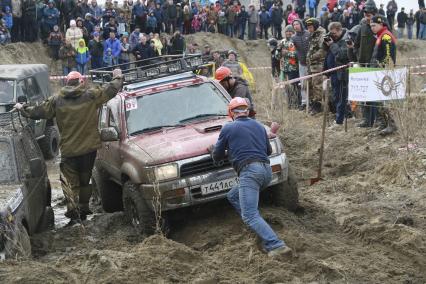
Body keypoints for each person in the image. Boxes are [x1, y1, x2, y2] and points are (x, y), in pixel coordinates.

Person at [14, 69, 124, 226]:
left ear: (66, 83)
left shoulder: (57, 100)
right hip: (89, 150)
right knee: (85, 180)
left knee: (69, 183)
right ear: (81, 82)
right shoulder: (91, 95)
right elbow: (111, 89)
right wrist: (118, 76)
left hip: (69, 151)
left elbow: (38, 112)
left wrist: (22, 108)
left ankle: (74, 215)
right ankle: (84, 211)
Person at [209, 97, 292, 258]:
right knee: (232, 195)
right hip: (266, 171)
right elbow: (267, 151)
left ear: (231, 113)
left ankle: (276, 245)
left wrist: (215, 150)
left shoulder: (228, 128)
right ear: (247, 111)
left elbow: (217, 156)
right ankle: (255, 225)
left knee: (249, 214)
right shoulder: (259, 126)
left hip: (250, 172)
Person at [348, 0, 378, 128]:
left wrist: (376, 60)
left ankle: (377, 120)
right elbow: (357, 44)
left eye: (370, 12)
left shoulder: (381, 25)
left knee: (376, 95)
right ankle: (367, 120)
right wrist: (357, 54)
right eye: (365, 12)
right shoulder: (363, 25)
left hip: (375, 65)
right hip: (363, 64)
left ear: (374, 12)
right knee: (364, 94)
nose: (367, 14)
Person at [370, 14, 397, 135]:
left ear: (381, 24)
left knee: (386, 99)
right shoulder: (380, 35)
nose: (372, 28)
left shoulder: (386, 36)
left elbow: (388, 55)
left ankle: (392, 124)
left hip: (385, 72)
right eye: (370, 25)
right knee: (379, 99)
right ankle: (383, 123)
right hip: (379, 71)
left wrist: (381, 68)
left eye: (374, 25)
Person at [324, 21, 349, 129]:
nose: (332, 36)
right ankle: (346, 116)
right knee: (335, 97)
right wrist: (326, 71)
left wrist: (332, 44)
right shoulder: (334, 40)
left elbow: (342, 55)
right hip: (333, 73)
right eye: (331, 33)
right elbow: (327, 54)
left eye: (334, 33)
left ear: (339, 30)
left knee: (340, 98)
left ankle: (339, 121)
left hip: (341, 74)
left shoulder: (345, 40)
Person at [305, 17, 327, 115]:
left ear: (315, 26)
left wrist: (312, 57)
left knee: (317, 85)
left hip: (318, 65)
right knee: (310, 85)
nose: (309, 29)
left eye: (310, 27)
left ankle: (318, 106)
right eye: (308, 27)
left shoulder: (322, 35)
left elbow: (322, 50)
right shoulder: (312, 35)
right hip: (311, 65)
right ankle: (312, 104)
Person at [277, 25, 300, 108]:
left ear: (293, 32)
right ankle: (289, 104)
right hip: (284, 68)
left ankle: (297, 103)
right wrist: (278, 52)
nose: (288, 33)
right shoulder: (282, 41)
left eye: (290, 31)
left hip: (293, 67)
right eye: (287, 31)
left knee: (295, 86)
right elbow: (277, 56)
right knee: (286, 88)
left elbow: (298, 54)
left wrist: (287, 53)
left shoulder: (295, 41)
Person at [291, 19, 310, 110]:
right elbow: (292, 50)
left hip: (311, 63)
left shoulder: (308, 34)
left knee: (312, 83)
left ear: (301, 24)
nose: (295, 26)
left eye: (297, 24)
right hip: (302, 63)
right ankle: (304, 102)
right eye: (294, 25)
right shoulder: (293, 38)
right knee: (303, 83)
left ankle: (312, 101)